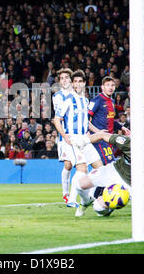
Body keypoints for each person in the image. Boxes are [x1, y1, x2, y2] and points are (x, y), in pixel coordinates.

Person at [70, 131, 144, 218]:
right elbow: (103, 135)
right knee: (79, 185)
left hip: (131, 185)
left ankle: (110, 206)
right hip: (114, 170)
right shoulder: (128, 142)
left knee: (98, 208)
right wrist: (85, 141)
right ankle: (86, 202)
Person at [52, 68, 91, 208]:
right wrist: (64, 135)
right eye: (62, 78)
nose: (65, 81)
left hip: (82, 137)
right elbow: (57, 118)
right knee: (73, 166)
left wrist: (91, 131)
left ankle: (86, 198)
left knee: (82, 167)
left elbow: (86, 119)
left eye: (67, 78)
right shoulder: (60, 97)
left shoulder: (84, 100)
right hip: (68, 137)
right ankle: (68, 195)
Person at [88, 76, 130, 165]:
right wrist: (98, 132)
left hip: (109, 138)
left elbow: (110, 120)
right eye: (107, 85)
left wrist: (122, 127)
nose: (110, 87)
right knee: (109, 165)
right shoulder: (97, 100)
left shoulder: (112, 101)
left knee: (105, 167)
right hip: (99, 140)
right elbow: (85, 118)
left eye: (112, 85)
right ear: (102, 87)